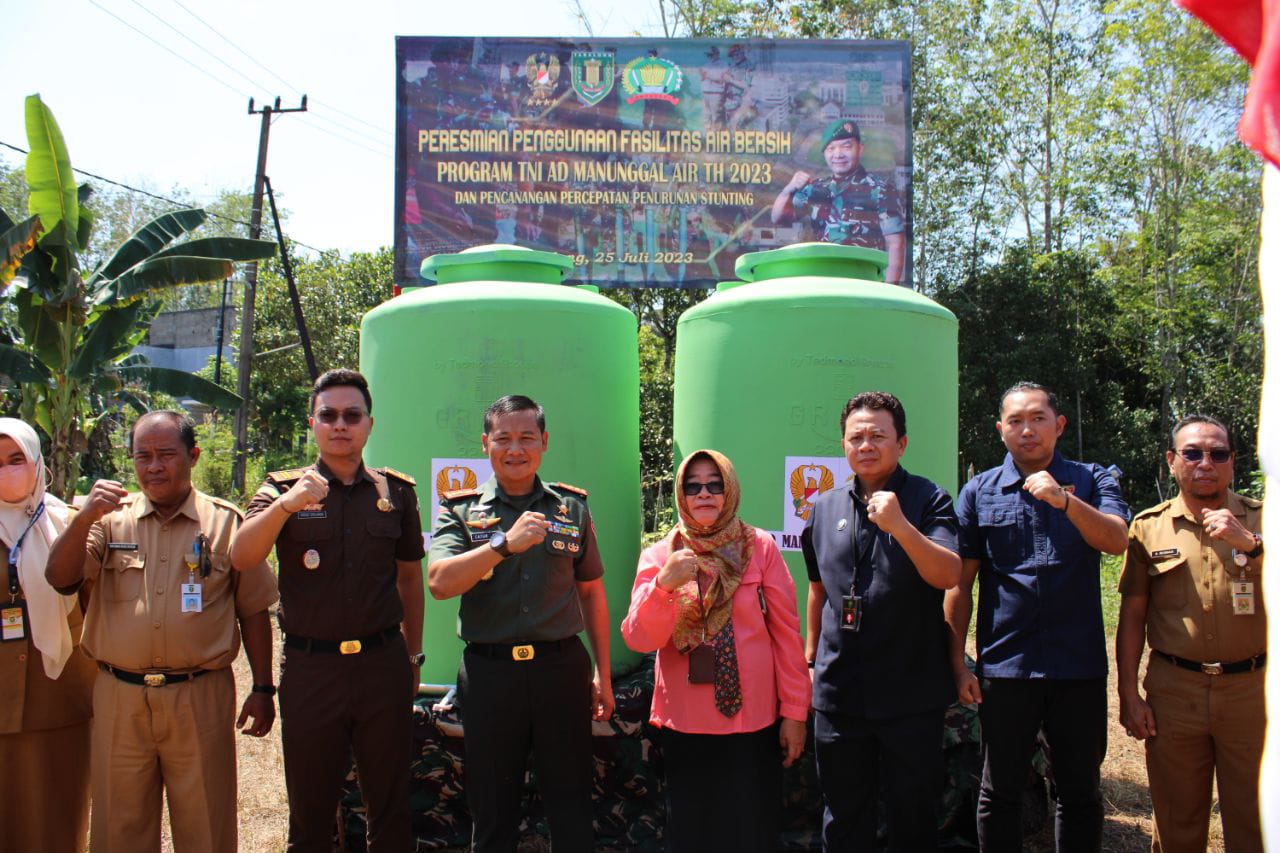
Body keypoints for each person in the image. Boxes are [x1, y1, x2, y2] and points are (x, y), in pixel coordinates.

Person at [45, 410, 278, 853]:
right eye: (142, 456)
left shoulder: (226, 523)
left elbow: (253, 609)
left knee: (205, 826)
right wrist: (82, 517)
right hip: (120, 696)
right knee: (118, 828)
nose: (153, 466)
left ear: (192, 455)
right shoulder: (108, 521)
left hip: (200, 695)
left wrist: (263, 688)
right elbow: (60, 578)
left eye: (166, 455)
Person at [232, 368, 426, 853]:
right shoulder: (281, 489)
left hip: (382, 665)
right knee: (311, 811)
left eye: (352, 415)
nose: (341, 424)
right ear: (312, 423)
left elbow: (409, 580)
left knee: (390, 807)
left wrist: (413, 655)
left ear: (369, 424)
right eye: (329, 415)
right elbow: (240, 556)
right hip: (311, 669)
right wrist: (286, 507)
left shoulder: (395, 493)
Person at [945, 382, 1129, 852]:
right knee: (999, 790)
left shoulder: (1092, 480)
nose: (1027, 430)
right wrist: (958, 663)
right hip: (1008, 667)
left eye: (1037, 419)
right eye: (1015, 421)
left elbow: (1115, 539)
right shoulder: (978, 492)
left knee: (1079, 792)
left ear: (1059, 424)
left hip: (1079, 665)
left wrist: (1063, 500)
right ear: (1000, 430)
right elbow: (959, 584)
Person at [427, 394, 613, 853]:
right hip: (491, 675)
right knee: (493, 809)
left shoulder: (572, 509)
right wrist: (503, 545)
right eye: (504, 438)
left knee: (570, 805)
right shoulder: (461, 510)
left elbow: (591, 591)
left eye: (527, 437)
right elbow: (439, 582)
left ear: (544, 442)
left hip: (561, 669)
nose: (516, 449)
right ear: (485, 443)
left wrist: (602, 674)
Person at [622, 449, 809, 852]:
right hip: (686, 723)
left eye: (714, 484)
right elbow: (639, 638)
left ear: (730, 491)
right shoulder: (660, 555)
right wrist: (664, 586)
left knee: (751, 829)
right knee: (692, 831)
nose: (704, 494)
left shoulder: (759, 548)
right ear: (681, 495)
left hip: (752, 721)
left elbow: (787, 635)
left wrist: (794, 713)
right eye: (693, 486)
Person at [801, 391, 961, 852]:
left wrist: (901, 527)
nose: (866, 445)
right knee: (844, 815)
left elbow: (948, 574)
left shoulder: (928, 499)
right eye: (856, 436)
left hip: (909, 693)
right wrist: (811, 660)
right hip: (840, 691)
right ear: (844, 444)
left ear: (902, 443)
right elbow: (818, 592)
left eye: (878, 436)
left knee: (912, 816)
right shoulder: (824, 506)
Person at [1116, 415, 1265, 852]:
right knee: (1177, 820)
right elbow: (1133, 615)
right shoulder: (1149, 526)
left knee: (1255, 820)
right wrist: (1128, 693)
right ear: (1171, 460)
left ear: (1233, 462)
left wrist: (1251, 544)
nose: (1206, 463)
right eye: (1193, 453)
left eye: (1218, 454)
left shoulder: (1263, 518)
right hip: (1175, 692)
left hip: (1252, 692)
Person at [0, 418, 96, 851]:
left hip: (61, 699)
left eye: (16, 458)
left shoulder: (71, 523)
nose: (7, 470)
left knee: (60, 814)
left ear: (36, 462)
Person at [770, 118, 907, 284]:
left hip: (865, 282)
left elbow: (895, 244)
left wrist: (888, 291)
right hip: (824, 282)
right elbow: (778, 218)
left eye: (846, 146)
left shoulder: (880, 190)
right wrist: (788, 190)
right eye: (831, 148)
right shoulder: (817, 189)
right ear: (825, 153)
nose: (838, 154)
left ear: (860, 148)